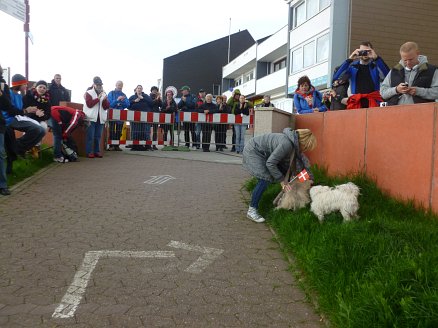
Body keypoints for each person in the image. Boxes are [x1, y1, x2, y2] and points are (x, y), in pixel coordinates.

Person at [242, 128, 316, 223]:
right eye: (305, 147)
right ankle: (252, 210)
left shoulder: (293, 143)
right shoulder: (287, 145)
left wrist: (310, 178)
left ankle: (280, 200)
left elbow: (302, 165)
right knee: (265, 179)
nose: (305, 150)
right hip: (254, 152)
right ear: (302, 142)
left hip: (262, 153)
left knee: (280, 174)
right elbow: (270, 163)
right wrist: (282, 181)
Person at [3, 73, 45, 170]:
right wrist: (26, 110)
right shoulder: (8, 93)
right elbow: (11, 110)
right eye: (25, 84)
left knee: (41, 130)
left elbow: (20, 111)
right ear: (19, 84)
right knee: (35, 128)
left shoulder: (19, 96)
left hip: (17, 117)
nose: (26, 86)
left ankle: (19, 148)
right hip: (9, 119)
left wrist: (31, 110)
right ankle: (16, 147)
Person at [333, 41, 389, 109]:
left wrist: (376, 58)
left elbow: (387, 76)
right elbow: (337, 77)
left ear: (372, 51)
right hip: (357, 102)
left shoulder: (376, 66)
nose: (365, 53)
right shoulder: (353, 66)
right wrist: (349, 59)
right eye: (362, 51)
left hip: (373, 102)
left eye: (367, 51)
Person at [83, 76, 110, 158]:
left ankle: (97, 151)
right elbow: (89, 104)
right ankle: (89, 152)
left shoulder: (104, 93)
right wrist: (98, 99)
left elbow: (106, 107)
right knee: (90, 136)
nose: (99, 86)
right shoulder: (89, 92)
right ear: (94, 84)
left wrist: (105, 100)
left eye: (100, 84)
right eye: (98, 84)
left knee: (98, 136)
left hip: (100, 118)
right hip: (91, 118)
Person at [129, 85, 154, 151]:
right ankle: (135, 146)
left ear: (142, 89)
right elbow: (128, 105)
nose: (139, 89)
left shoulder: (146, 96)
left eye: (140, 88)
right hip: (135, 117)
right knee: (135, 131)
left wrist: (143, 98)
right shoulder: (132, 97)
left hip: (145, 117)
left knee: (146, 131)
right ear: (136, 89)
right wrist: (134, 101)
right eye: (138, 88)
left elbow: (151, 103)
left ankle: (147, 146)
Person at [107, 81, 129, 151]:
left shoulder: (124, 95)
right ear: (115, 85)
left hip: (121, 115)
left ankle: (117, 146)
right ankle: (111, 145)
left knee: (119, 131)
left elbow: (128, 104)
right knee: (112, 130)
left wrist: (122, 101)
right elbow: (110, 104)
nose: (120, 86)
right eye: (118, 85)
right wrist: (117, 100)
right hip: (112, 115)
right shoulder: (111, 93)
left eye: (121, 85)